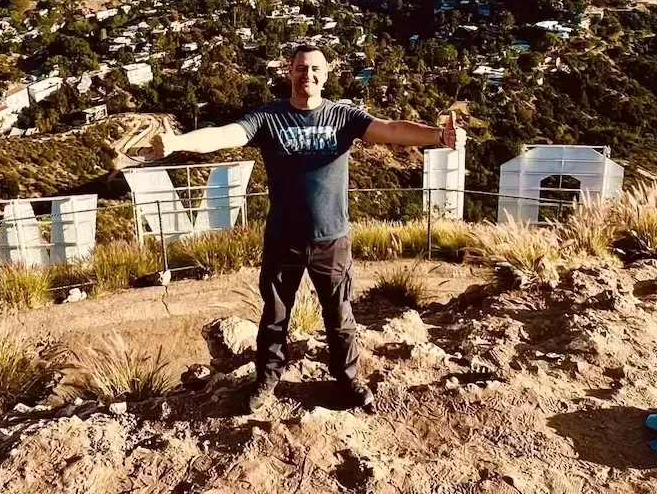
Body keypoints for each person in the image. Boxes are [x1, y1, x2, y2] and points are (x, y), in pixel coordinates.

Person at [148, 44, 457, 412]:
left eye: (314, 69)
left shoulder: (343, 116)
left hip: (332, 239)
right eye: (299, 68)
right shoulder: (268, 117)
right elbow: (226, 134)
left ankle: (348, 379)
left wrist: (437, 136)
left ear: (325, 75)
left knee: (340, 317)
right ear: (288, 71)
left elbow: (390, 130)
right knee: (275, 317)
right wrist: (176, 143)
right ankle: (266, 380)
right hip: (283, 239)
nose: (306, 75)